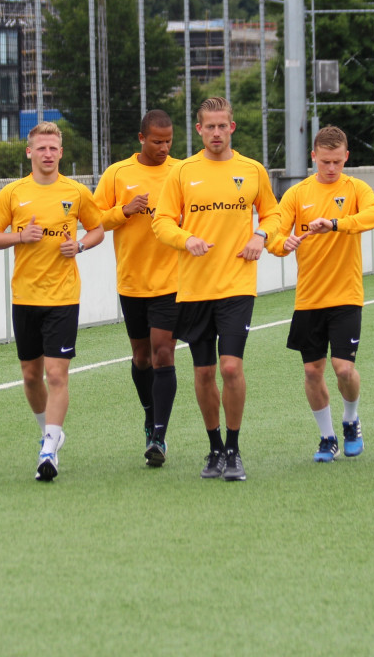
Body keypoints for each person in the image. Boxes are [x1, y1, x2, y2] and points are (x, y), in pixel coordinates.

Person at [152, 97, 280, 481]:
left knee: (231, 366)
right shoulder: (183, 172)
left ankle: (235, 449)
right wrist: (185, 239)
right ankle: (215, 448)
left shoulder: (252, 170)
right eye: (210, 126)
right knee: (205, 372)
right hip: (194, 289)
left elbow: (273, 214)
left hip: (237, 285)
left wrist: (260, 235)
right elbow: (161, 222)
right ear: (199, 130)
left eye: (223, 125)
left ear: (232, 127)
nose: (217, 132)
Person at [0, 121, 104, 481]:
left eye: (53, 148)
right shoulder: (13, 193)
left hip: (63, 296)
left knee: (56, 373)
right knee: (31, 375)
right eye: (41, 148)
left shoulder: (76, 191)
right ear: (29, 152)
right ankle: (48, 431)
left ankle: (48, 450)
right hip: (25, 296)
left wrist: (79, 245)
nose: (47, 154)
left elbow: (97, 229)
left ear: (61, 153)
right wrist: (20, 237)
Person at [268, 125, 374, 462]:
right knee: (312, 371)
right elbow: (275, 235)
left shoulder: (356, 188)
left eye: (337, 161)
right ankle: (327, 437)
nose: (331, 168)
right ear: (313, 157)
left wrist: (335, 224)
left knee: (343, 369)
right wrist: (284, 243)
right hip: (309, 298)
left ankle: (351, 420)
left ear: (346, 157)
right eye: (325, 162)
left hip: (346, 296)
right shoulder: (297, 194)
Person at [94, 110, 181, 467]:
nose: (164, 147)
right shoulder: (117, 174)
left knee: (163, 353)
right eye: (157, 141)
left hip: (171, 281)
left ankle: (159, 435)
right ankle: (149, 416)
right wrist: (125, 211)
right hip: (131, 282)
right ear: (142, 138)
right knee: (142, 358)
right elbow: (95, 220)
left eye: (169, 141)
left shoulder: (181, 172)